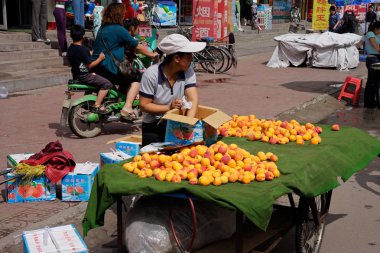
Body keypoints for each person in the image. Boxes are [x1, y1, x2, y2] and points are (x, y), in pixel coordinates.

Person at [91, 2, 157, 120]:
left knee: (126, 79)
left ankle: (120, 102)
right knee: (138, 77)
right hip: (109, 67)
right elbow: (136, 46)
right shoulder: (119, 30)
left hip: (98, 66)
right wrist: (152, 54)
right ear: (119, 14)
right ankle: (127, 106)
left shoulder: (102, 28)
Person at [139, 34, 206, 146]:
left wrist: (188, 125)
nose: (191, 59)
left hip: (176, 123)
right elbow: (144, 105)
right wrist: (168, 108)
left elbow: (193, 99)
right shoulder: (151, 74)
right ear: (177, 58)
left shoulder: (188, 71)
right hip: (153, 126)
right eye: (189, 56)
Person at [67, 25, 113, 114]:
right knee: (107, 84)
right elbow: (90, 65)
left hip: (77, 74)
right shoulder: (83, 50)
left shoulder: (70, 48)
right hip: (84, 75)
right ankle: (97, 105)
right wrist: (100, 58)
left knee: (97, 79)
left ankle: (88, 101)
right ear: (83, 37)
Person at [363, 21, 380, 108]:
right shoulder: (370, 34)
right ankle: (368, 101)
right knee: (372, 81)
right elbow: (375, 46)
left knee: (377, 82)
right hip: (372, 58)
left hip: (378, 57)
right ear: (376, 28)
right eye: (379, 30)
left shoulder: (378, 35)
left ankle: (375, 101)